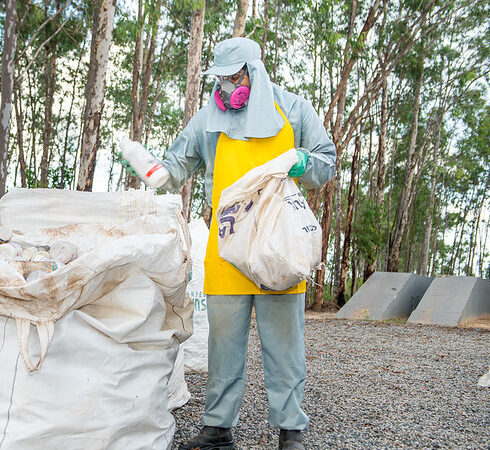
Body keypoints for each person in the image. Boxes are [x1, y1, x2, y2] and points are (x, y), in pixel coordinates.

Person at [120, 37, 336, 450]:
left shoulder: (292, 109)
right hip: (228, 248)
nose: (225, 88)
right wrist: (154, 171)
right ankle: (218, 430)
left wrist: (302, 161)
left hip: (278, 248)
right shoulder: (208, 119)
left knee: (284, 348)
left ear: (255, 72)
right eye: (219, 79)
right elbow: (175, 167)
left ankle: (291, 432)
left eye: (234, 78)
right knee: (223, 348)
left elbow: (326, 161)